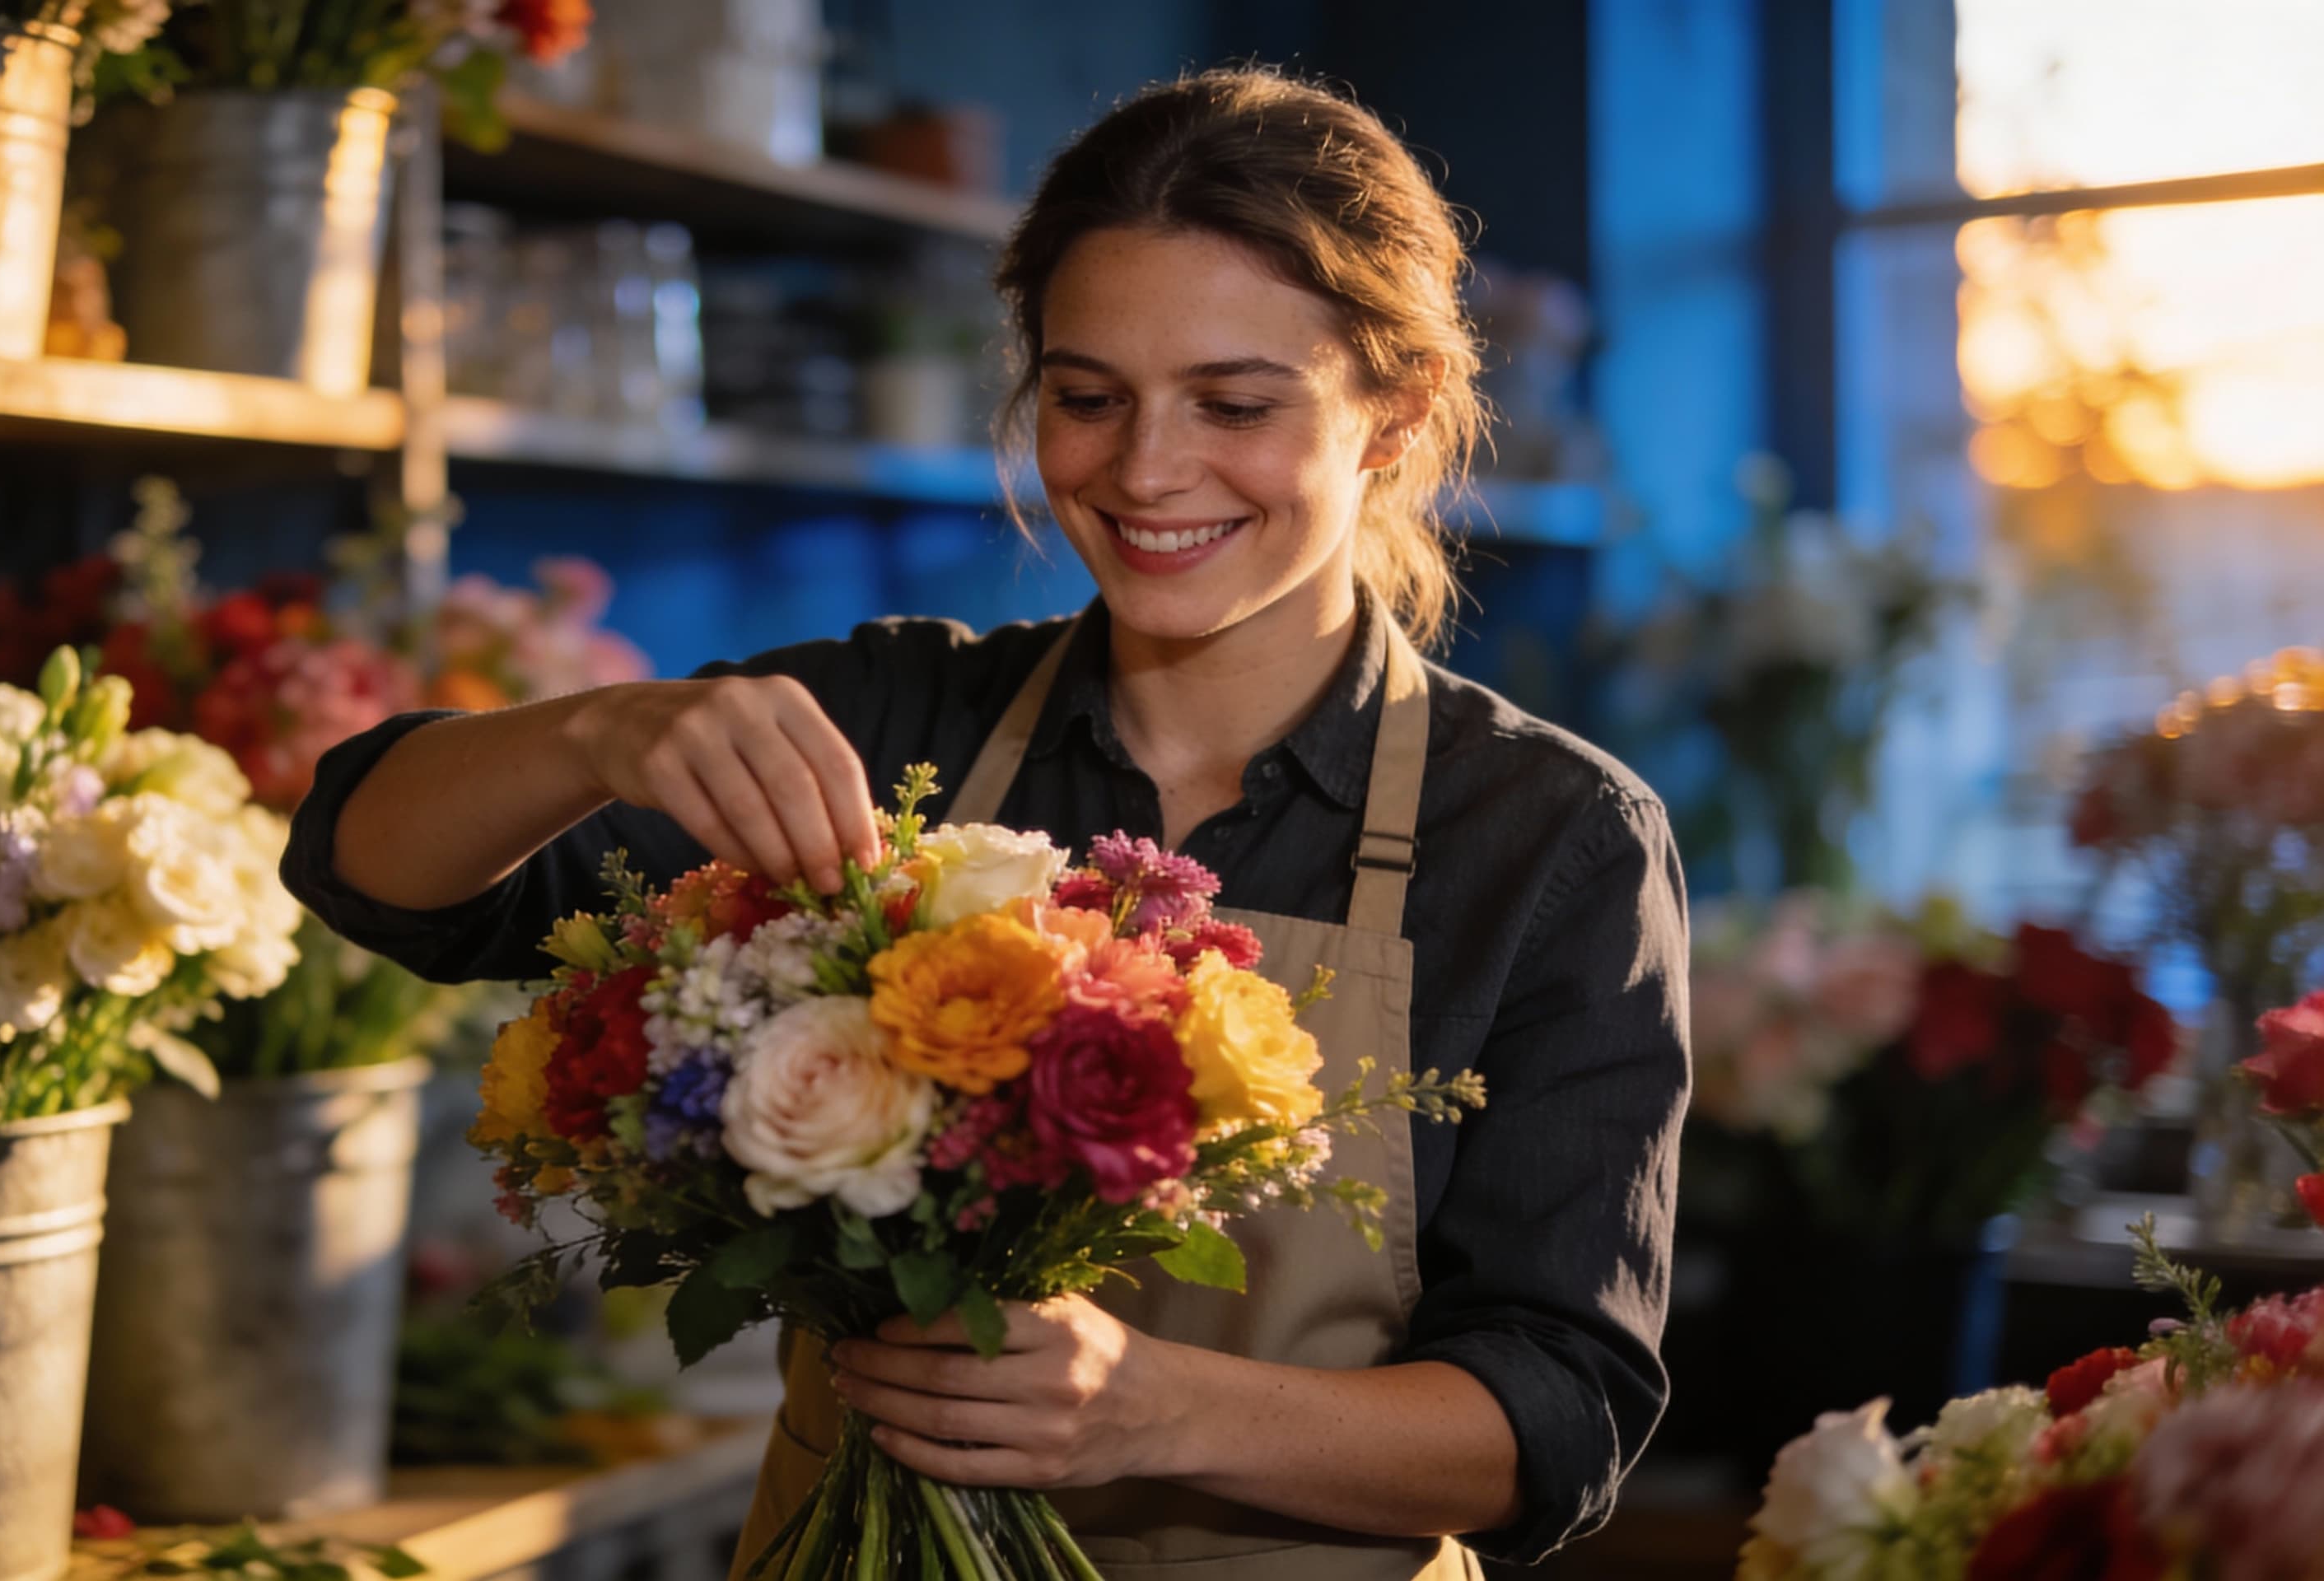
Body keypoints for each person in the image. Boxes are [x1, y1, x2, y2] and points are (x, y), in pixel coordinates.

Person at [282, 67, 1687, 1579]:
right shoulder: (895, 726)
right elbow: (375, 874)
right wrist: (597, 728)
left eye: (1234, 403)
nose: (1147, 471)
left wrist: (1154, 1413)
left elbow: (1555, 1416)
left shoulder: (1552, 841)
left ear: (1393, 420)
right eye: (1089, 399)